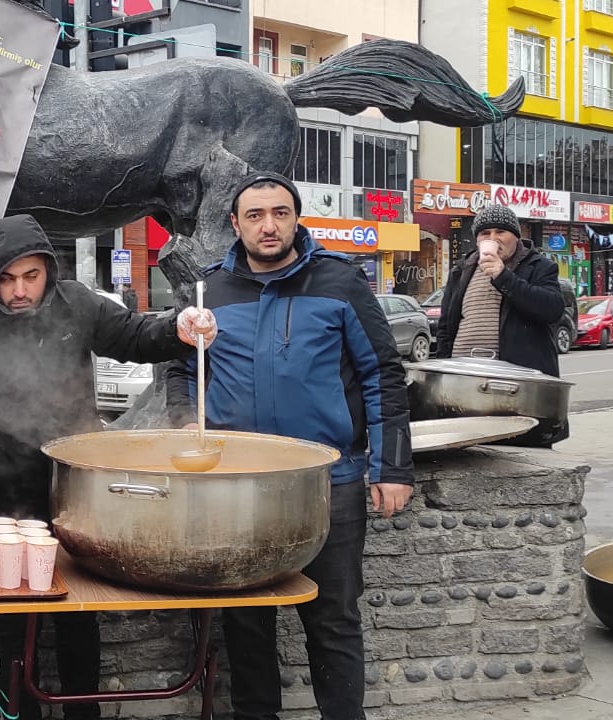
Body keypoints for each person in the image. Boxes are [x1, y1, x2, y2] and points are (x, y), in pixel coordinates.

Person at [0, 214, 217, 720]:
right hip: (0, 492)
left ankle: (85, 711)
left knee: (79, 614)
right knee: (10, 619)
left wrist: (179, 327)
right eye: (6, 280)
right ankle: (16, 713)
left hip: (74, 487)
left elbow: (135, 336)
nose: (18, 291)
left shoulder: (77, 303)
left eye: (30, 277)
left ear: (48, 272)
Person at [164, 172, 413, 720]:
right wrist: (186, 422)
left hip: (330, 483)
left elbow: (383, 375)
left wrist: (391, 468)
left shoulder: (340, 282)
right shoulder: (212, 291)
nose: (268, 225)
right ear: (235, 225)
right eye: (255, 216)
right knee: (246, 618)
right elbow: (181, 370)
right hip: (236, 485)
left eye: (279, 213)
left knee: (333, 616)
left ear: (297, 217)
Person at [436, 204, 567, 377]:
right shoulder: (461, 270)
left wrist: (503, 276)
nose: (493, 238)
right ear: (477, 240)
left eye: (500, 232)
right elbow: (445, 327)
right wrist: (443, 370)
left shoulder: (539, 266)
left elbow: (553, 310)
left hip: (517, 379)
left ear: (516, 237)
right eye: (485, 233)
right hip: (464, 375)